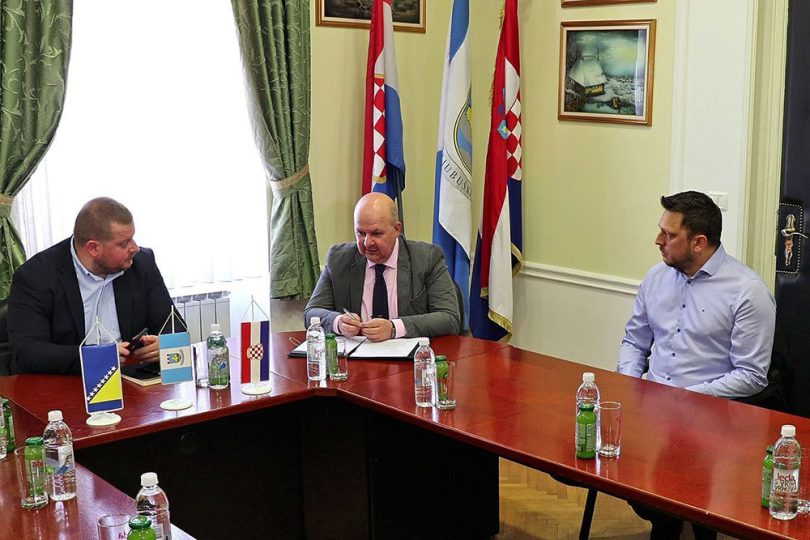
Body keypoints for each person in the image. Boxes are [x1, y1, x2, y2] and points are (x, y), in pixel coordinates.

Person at [616, 191, 776, 539]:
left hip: (711, 425)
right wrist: (630, 384)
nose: (658, 240)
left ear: (699, 243)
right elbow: (634, 343)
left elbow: (752, 375)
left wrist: (686, 396)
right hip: (651, 416)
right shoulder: (656, 278)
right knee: (632, 485)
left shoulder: (747, 291)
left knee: (685, 508)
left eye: (669, 234)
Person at [8, 197, 177, 375]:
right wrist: (95, 356)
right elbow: (27, 351)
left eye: (132, 238)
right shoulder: (36, 276)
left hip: (129, 376)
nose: (135, 248)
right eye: (124, 243)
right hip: (67, 379)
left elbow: (173, 324)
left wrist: (165, 343)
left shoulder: (141, 264)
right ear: (93, 248)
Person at [304, 192, 461, 341]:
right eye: (361, 233)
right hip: (357, 355)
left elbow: (449, 318)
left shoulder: (427, 258)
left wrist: (394, 328)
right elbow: (311, 313)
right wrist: (338, 322)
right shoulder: (339, 259)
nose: (367, 243)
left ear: (396, 229)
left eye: (376, 233)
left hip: (410, 356)